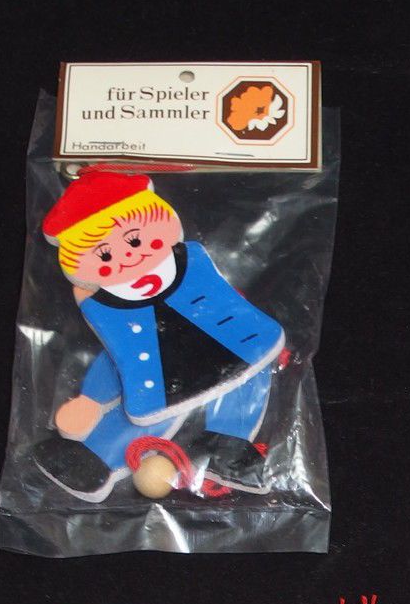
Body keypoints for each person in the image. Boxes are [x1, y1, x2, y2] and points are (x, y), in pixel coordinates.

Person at [34, 168, 284, 500]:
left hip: (234, 348)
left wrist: (252, 328)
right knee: (147, 409)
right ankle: (94, 459)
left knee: (247, 378)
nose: (128, 256)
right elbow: (116, 359)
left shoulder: (193, 260)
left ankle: (227, 448)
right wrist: (91, 400)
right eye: (104, 255)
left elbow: (228, 304)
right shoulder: (103, 307)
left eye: (135, 239)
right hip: (159, 378)